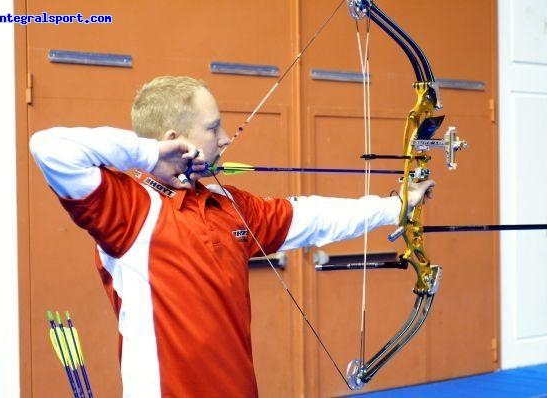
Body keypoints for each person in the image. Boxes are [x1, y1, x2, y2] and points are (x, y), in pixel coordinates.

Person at [30, 76, 434, 397]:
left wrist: (396, 204)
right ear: (176, 140)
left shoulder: (227, 203)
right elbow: (48, 147)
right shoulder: (127, 209)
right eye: (213, 127)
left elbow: (312, 216)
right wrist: (149, 154)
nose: (224, 138)